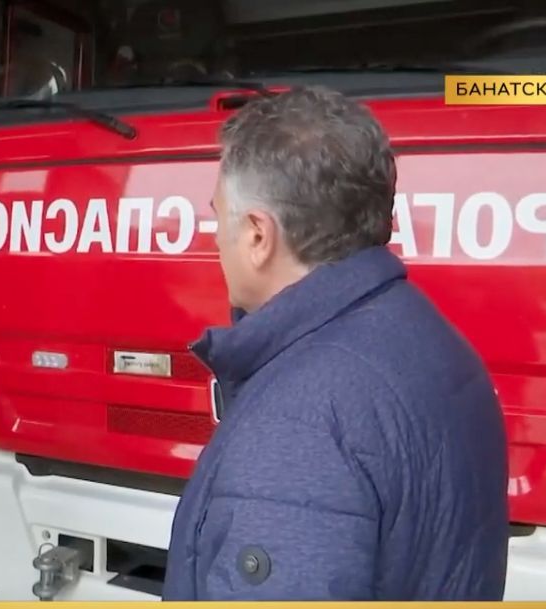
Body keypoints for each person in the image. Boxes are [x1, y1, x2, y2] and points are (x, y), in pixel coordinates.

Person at [162, 86, 510, 600]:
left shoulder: (298, 424)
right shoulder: (430, 337)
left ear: (258, 235)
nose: (215, 239)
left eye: (219, 217)